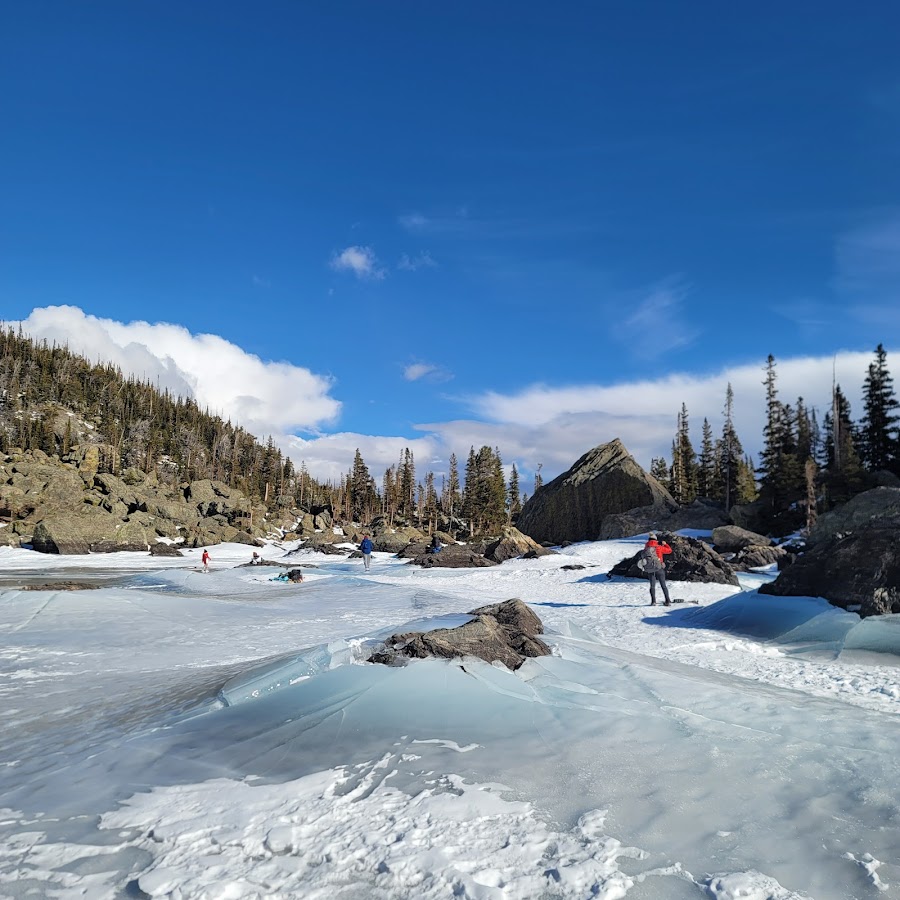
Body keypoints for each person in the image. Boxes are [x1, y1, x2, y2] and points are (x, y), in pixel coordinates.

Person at [643, 532, 672, 606]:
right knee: (663, 585)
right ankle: (667, 601)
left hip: (650, 569)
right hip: (659, 568)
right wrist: (665, 544)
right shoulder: (659, 547)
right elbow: (669, 550)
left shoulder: (646, 547)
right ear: (656, 540)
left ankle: (653, 601)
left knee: (652, 586)